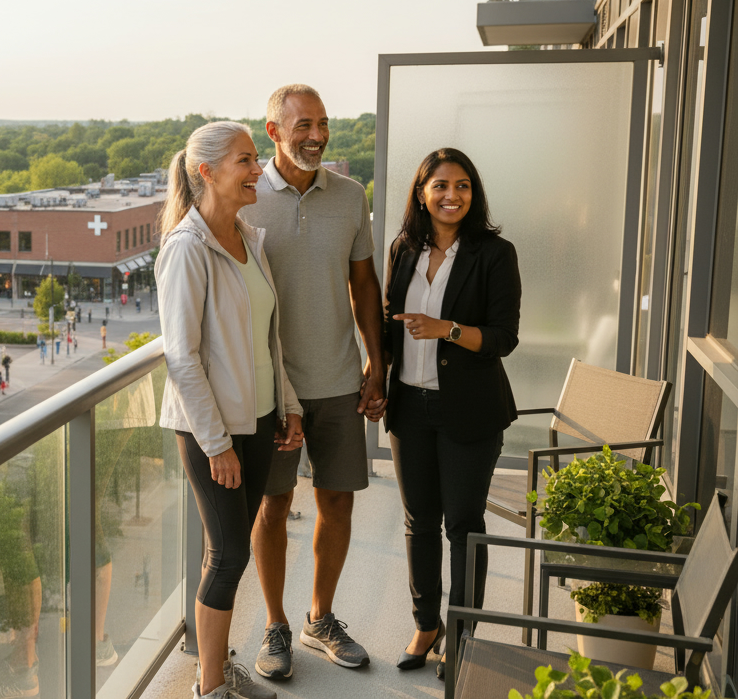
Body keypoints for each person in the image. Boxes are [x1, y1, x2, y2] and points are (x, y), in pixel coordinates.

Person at [239, 84, 387, 677]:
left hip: (337, 379)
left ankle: (319, 618)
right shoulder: (244, 198)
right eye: (302, 125)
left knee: (337, 500)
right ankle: (275, 625)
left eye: (322, 124)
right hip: (269, 386)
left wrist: (377, 362)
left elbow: (365, 286)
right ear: (273, 131)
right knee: (271, 505)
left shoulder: (350, 196)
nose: (316, 135)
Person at [157, 120, 305, 699]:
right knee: (229, 554)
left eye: (254, 159)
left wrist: (288, 406)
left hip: (261, 420)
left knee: (230, 550)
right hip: (211, 430)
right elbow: (182, 357)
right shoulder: (187, 248)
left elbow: (271, 339)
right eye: (245, 161)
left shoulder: (250, 239)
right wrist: (215, 443)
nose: (256, 171)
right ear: (206, 172)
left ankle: (212, 668)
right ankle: (211, 687)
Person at [383, 148, 520, 679]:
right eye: (440, 185)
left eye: (462, 186)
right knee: (420, 523)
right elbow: (392, 321)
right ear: (422, 192)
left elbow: (504, 337)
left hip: (470, 411)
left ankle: (462, 636)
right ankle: (426, 624)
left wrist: (448, 330)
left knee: (463, 524)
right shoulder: (403, 249)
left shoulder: (494, 253)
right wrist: (380, 375)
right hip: (409, 405)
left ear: (473, 193)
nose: (451, 195)